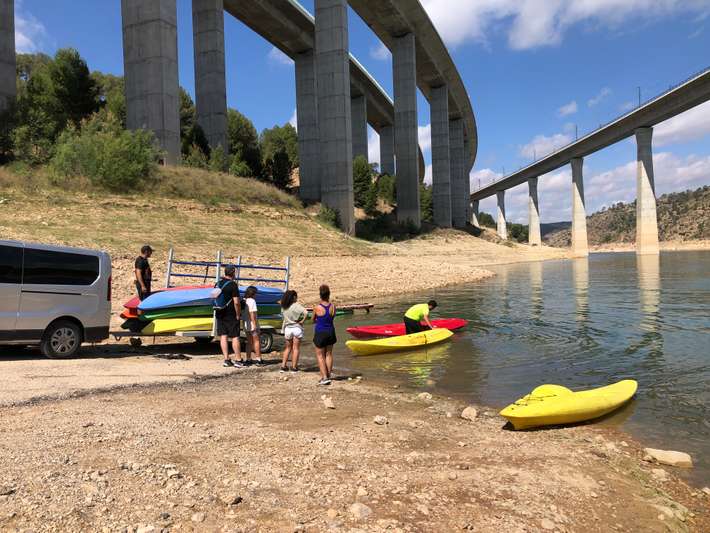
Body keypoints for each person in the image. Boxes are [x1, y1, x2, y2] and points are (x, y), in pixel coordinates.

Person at [214, 266, 243, 368]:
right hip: (230, 313)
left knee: (223, 336)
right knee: (235, 336)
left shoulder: (217, 283)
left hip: (219, 311)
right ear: (233, 273)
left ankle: (226, 359)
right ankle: (238, 360)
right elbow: (236, 302)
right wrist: (238, 314)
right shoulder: (233, 285)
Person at [313, 284, 337, 386]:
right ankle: (329, 375)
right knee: (329, 354)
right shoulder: (333, 307)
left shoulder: (317, 307)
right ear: (328, 294)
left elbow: (313, 319)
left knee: (320, 355)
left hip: (320, 332)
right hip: (331, 331)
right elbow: (332, 317)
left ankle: (325, 377)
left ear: (320, 295)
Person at [280, 290, 307, 372]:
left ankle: (283, 366)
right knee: (296, 348)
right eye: (296, 297)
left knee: (287, 348)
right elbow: (306, 312)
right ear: (294, 297)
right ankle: (294, 367)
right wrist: (302, 321)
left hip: (288, 329)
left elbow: (283, 318)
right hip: (296, 328)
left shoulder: (284, 306)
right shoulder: (296, 305)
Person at [242, 286, 263, 365]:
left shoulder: (244, 300)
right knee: (256, 341)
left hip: (245, 323)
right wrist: (255, 325)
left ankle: (248, 359)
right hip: (252, 323)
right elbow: (252, 313)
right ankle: (258, 359)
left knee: (249, 342)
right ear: (253, 293)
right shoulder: (252, 301)